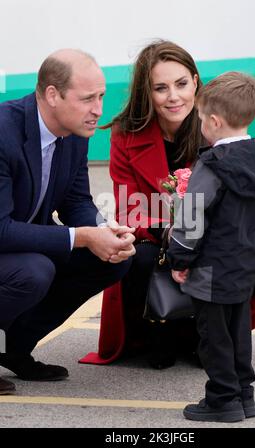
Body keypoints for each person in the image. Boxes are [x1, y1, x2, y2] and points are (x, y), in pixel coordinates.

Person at [0, 49, 136, 394]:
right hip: (7, 244)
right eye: (88, 98)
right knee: (34, 271)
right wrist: (84, 236)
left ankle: (14, 348)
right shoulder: (4, 131)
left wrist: (105, 232)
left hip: (21, 248)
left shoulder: (74, 133)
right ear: (52, 94)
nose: (98, 110)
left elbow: (75, 201)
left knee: (108, 261)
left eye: (102, 97)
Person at [80, 40, 206, 370]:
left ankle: (202, 335)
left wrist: (194, 230)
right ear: (146, 94)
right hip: (154, 231)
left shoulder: (214, 124)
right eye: (160, 88)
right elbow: (128, 207)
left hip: (207, 229)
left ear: (195, 81)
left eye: (181, 84)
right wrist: (168, 229)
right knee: (139, 256)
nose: (173, 96)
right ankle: (156, 335)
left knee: (220, 250)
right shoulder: (126, 133)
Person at [168, 71, 255, 422]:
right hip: (244, 265)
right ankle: (244, 394)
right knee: (238, 333)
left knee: (213, 337)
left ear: (214, 121)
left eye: (200, 118)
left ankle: (222, 399)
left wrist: (179, 258)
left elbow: (192, 218)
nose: (199, 124)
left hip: (211, 270)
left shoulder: (212, 165)